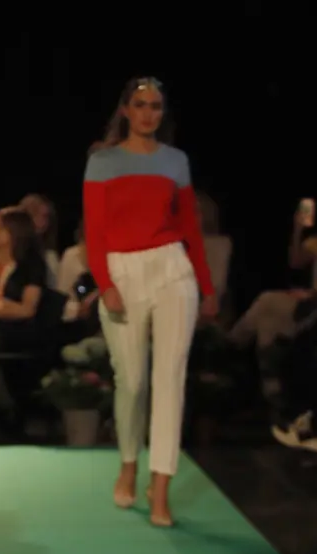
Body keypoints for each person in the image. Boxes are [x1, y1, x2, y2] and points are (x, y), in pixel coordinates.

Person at [82, 77, 218, 527]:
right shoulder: (102, 161)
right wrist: (105, 283)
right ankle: (128, 464)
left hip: (171, 267)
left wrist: (207, 287)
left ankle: (160, 488)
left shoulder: (175, 161)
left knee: (170, 379)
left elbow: (191, 228)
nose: (148, 113)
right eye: (140, 105)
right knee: (133, 381)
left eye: (156, 106)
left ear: (163, 112)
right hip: (122, 270)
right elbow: (94, 230)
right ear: (126, 109)